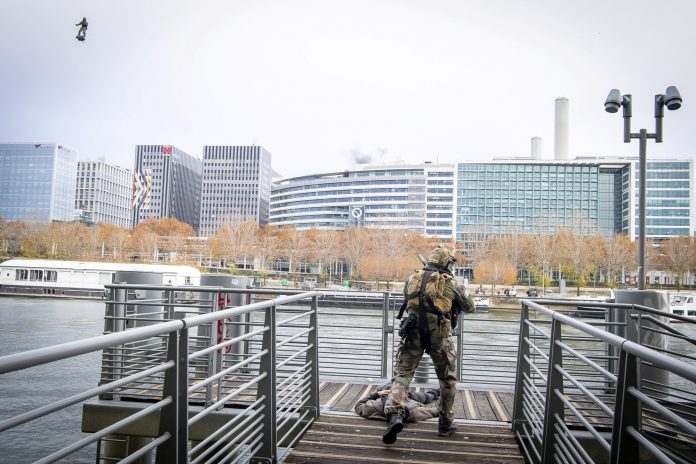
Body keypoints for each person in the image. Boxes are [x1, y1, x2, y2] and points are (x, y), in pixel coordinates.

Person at [382, 245, 475, 444]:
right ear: (446, 263)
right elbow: (471, 306)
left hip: (413, 333)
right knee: (447, 379)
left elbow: (408, 301)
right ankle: (445, 423)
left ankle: (395, 415)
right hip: (439, 336)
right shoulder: (451, 282)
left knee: (403, 375)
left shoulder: (412, 279)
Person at [355, 384, 440, 422]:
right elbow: (435, 411)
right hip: (408, 397)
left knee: (393, 383)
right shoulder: (412, 413)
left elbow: (359, 405)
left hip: (386, 393)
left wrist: (377, 394)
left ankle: (437, 392)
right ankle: (437, 391)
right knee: (429, 396)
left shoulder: (372, 408)